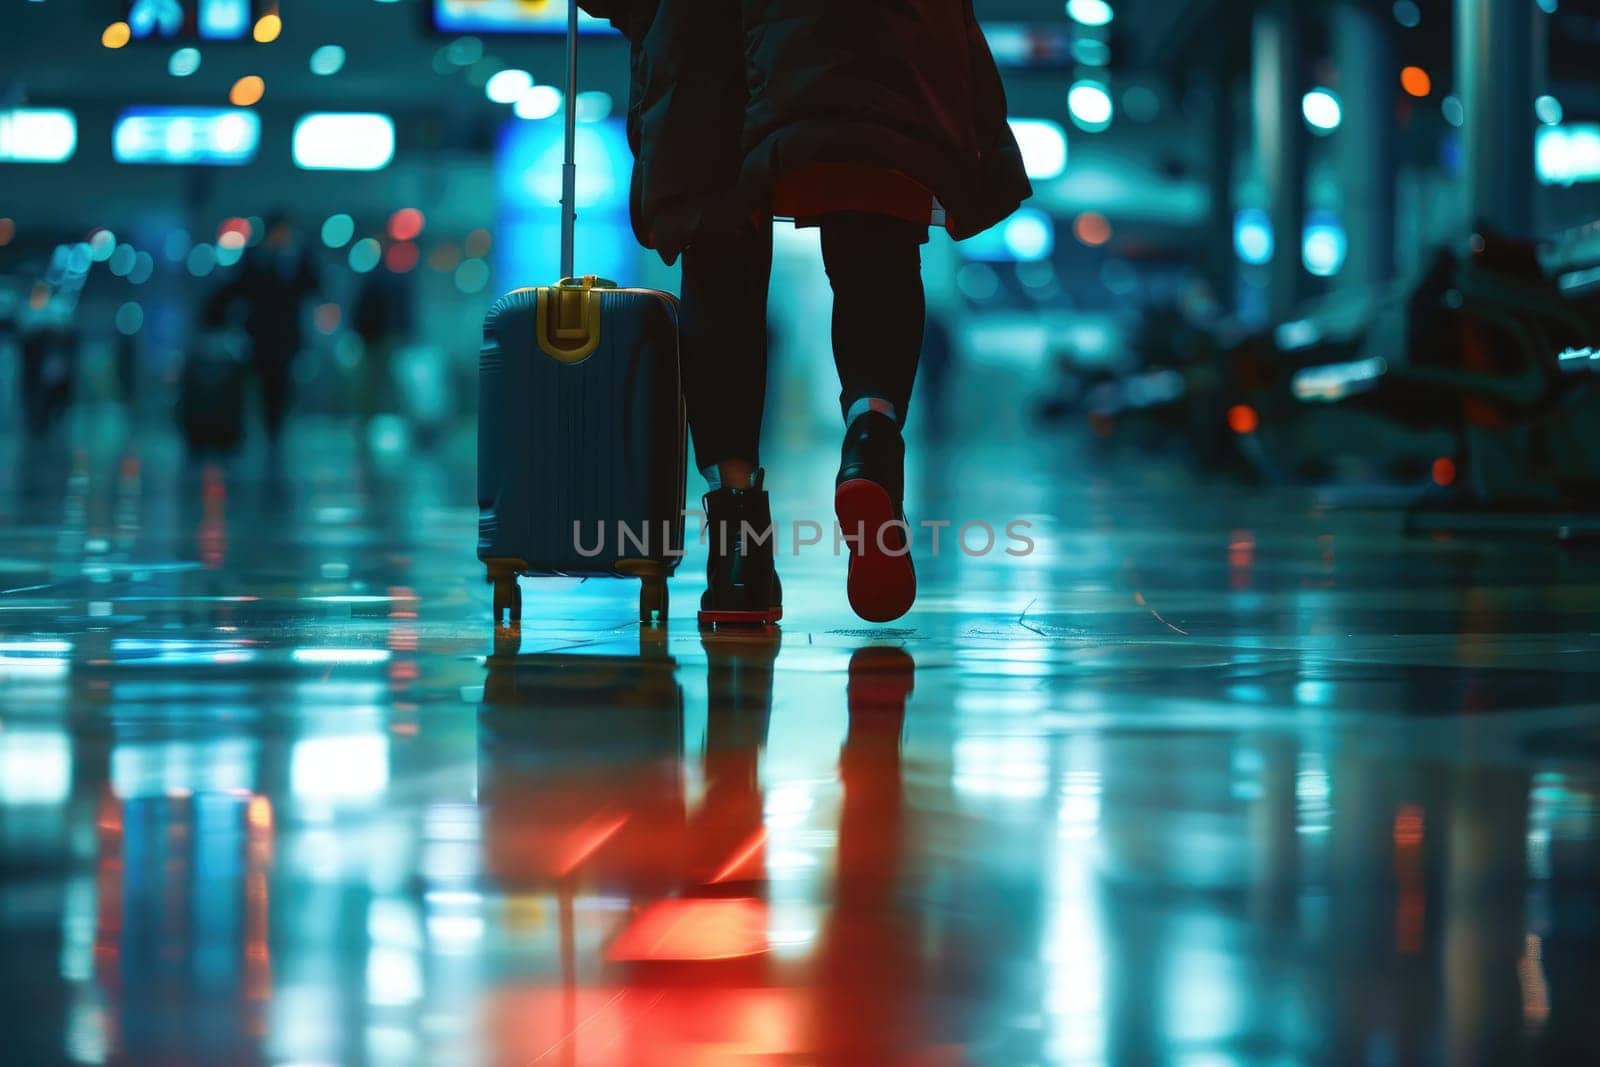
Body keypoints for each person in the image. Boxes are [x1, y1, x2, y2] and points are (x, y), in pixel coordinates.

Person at [580, 0, 1032, 624]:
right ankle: (871, 440)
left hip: (704, 41)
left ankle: (739, 554)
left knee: (720, 262)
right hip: (871, 38)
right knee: (875, 240)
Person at [206, 212, 319, 445]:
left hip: (286, 338)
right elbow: (235, 289)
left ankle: (275, 431)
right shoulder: (256, 260)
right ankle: (264, 430)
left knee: (281, 386)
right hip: (260, 337)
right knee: (262, 385)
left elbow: (313, 285)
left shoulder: (294, 261)